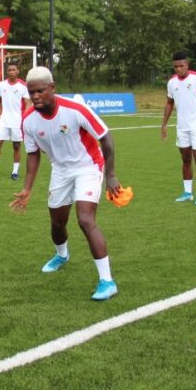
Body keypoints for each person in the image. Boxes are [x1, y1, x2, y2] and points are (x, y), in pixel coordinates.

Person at [9, 67, 122, 301]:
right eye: (31, 92)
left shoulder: (75, 110)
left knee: (85, 220)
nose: (35, 96)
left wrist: (110, 175)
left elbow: (106, 138)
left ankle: (107, 281)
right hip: (60, 171)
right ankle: (62, 255)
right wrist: (27, 188)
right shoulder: (28, 120)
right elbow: (33, 154)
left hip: (88, 166)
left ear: (52, 88)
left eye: (40, 91)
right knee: (57, 223)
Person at [161, 51, 196, 205]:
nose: (178, 69)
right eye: (176, 67)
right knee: (185, 159)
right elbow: (169, 103)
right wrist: (164, 124)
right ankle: (187, 192)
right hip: (182, 127)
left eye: (181, 66)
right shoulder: (172, 82)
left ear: (187, 65)